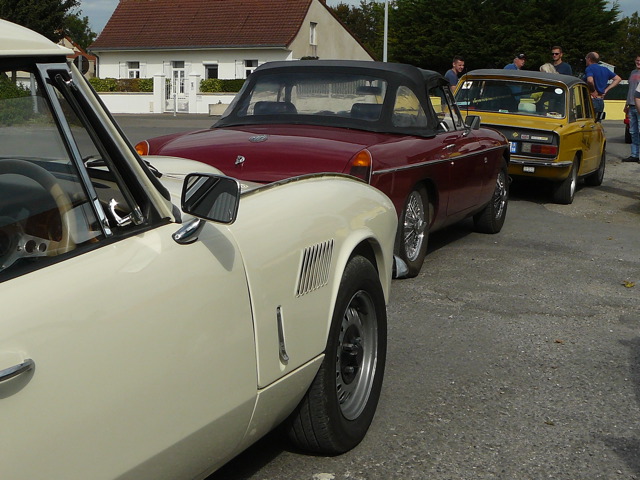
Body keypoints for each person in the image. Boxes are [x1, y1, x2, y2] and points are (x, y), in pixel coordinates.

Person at [623, 54, 640, 162]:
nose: (639, 62)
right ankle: (634, 154)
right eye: (637, 60)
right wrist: (626, 104)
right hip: (631, 105)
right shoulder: (633, 73)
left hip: (639, 105)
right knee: (633, 131)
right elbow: (630, 90)